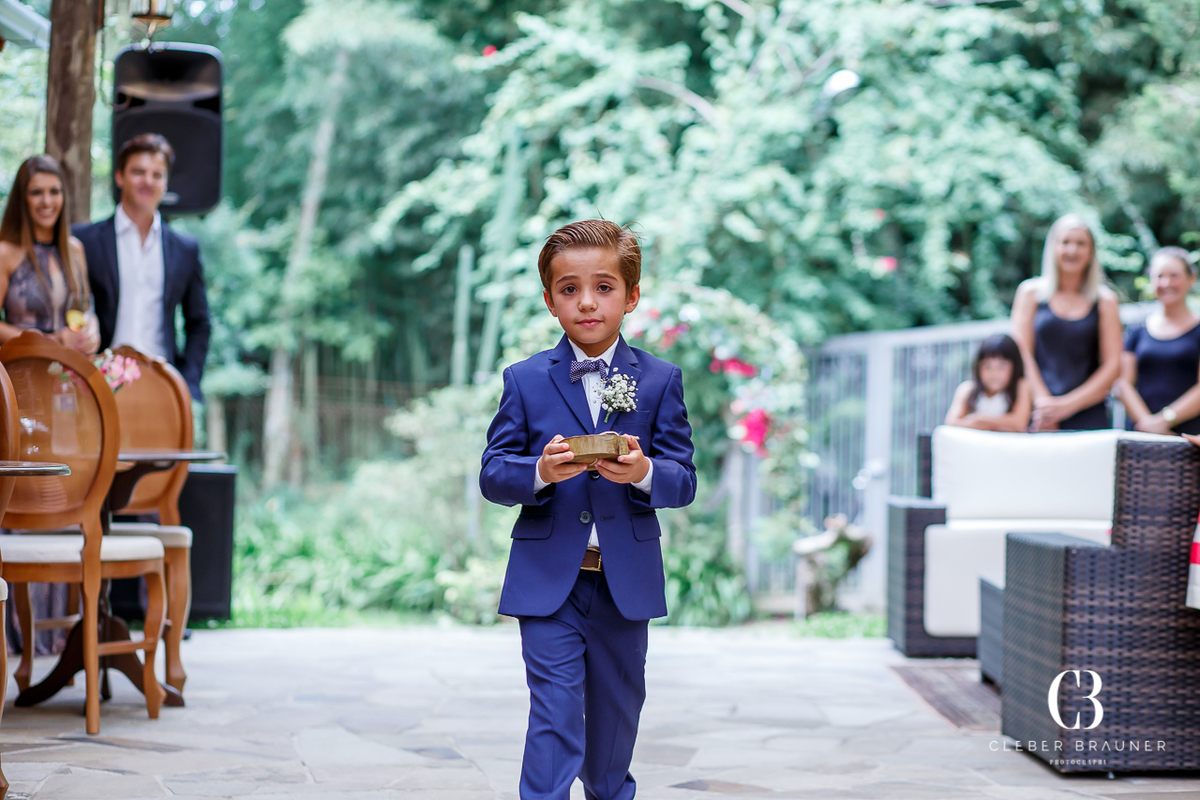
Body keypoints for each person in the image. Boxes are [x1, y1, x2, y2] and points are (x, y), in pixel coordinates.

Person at [480, 220, 696, 800]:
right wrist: (539, 473)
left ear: (632, 295)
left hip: (624, 580)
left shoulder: (658, 380)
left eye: (603, 287)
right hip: (548, 580)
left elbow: (685, 479)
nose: (587, 302)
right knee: (553, 721)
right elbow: (493, 473)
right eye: (569, 289)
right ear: (550, 300)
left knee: (612, 731)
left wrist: (646, 473)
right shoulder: (525, 380)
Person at [73, 133, 211, 400]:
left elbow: (199, 322)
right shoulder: (84, 241)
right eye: (138, 172)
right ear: (120, 176)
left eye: (157, 175)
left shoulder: (185, 248)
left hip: (163, 390)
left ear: (166, 182)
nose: (148, 181)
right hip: (97, 387)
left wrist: (188, 383)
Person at [1011, 213, 1122, 431]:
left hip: (1088, 413)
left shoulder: (1105, 301)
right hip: (1037, 413)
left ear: (1091, 252)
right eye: (1065, 242)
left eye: (1081, 244)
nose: (1072, 250)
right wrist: (1044, 405)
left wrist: (1067, 406)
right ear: (1053, 247)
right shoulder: (1030, 293)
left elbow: (1112, 365)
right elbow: (1021, 352)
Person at [0, 155, 99, 353]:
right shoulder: (5, 253)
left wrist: (92, 331)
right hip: (23, 368)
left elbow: (86, 309)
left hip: (70, 369)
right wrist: (51, 341)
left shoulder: (75, 250)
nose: (47, 201)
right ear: (22, 199)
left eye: (54, 191)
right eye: (36, 192)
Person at [1118, 247, 1200, 435]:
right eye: (1159, 276)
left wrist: (1165, 420)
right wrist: (1148, 423)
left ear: (1191, 279)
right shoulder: (1137, 329)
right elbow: (1123, 384)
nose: (1166, 283)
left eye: (1174, 275)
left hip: (1188, 438)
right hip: (1142, 436)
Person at [944, 333, 1032, 431]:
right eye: (987, 366)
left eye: (1001, 366)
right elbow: (951, 422)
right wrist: (998, 426)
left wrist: (978, 419)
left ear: (1014, 367)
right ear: (978, 367)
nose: (994, 373)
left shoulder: (1021, 387)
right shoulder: (968, 389)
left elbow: (1019, 422)